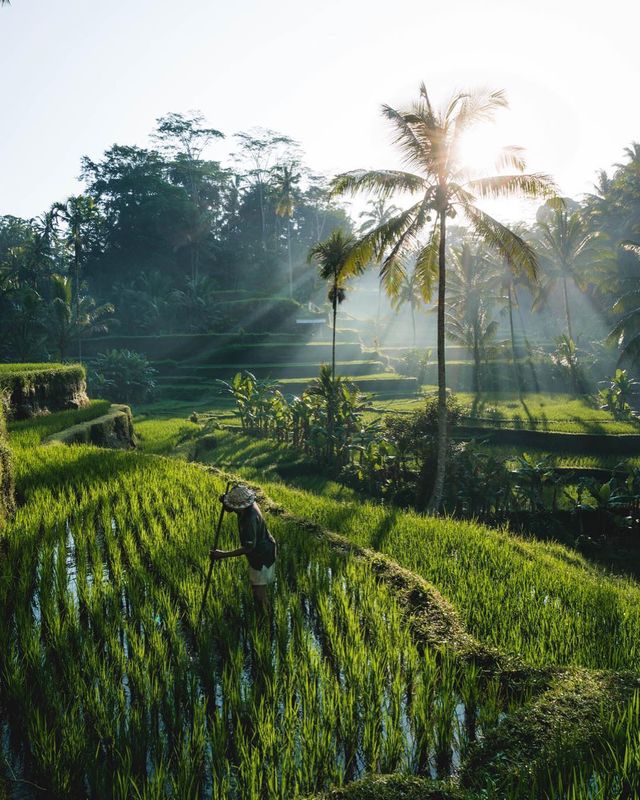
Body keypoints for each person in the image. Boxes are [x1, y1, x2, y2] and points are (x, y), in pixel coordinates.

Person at [210, 484, 276, 612]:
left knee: (259, 594)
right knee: (255, 588)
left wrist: (222, 554)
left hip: (262, 555)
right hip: (262, 549)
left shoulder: (249, 519)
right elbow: (230, 505)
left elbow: (248, 548)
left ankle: (267, 620)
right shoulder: (247, 504)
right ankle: (259, 612)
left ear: (240, 506)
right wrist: (224, 499)